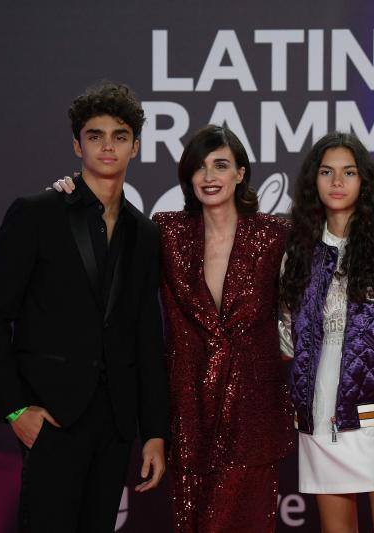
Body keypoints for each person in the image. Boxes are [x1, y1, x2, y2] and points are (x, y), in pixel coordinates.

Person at [54, 124, 295, 533]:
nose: (209, 176)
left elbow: (302, 312)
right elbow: (109, 233)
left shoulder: (275, 235)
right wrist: (75, 196)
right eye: (199, 167)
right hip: (189, 415)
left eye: (221, 165)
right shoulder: (165, 230)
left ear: (240, 173)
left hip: (253, 418)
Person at [0, 82, 169, 533]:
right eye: (95, 135)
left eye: (119, 136)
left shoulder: (145, 234)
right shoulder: (37, 213)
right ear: (76, 143)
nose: (107, 146)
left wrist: (153, 431)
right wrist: (16, 410)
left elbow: (145, 335)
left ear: (135, 146)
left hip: (116, 423)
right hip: (51, 415)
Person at [278, 131, 374, 532]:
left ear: (364, 181)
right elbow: (285, 337)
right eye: (327, 172)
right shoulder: (297, 250)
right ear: (314, 181)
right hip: (319, 422)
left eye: (348, 172)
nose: (337, 182)